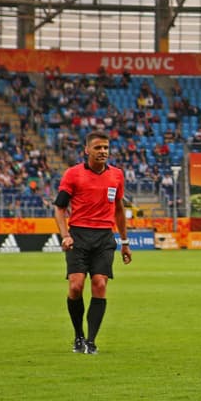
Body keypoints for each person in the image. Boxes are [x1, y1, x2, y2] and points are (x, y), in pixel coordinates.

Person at [55, 131, 132, 355]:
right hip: (78, 235)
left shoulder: (117, 175)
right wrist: (65, 235)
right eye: (98, 148)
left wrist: (125, 242)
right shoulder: (73, 174)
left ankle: (91, 340)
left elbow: (119, 210)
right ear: (87, 150)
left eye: (106, 147)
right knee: (76, 286)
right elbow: (59, 208)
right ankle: (78, 335)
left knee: (99, 284)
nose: (103, 152)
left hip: (104, 237)